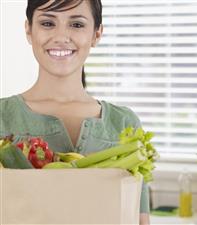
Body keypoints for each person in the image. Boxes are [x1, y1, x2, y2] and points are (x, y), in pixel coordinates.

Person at [0, 0, 150, 224]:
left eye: (77, 25)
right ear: (29, 30)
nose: (61, 36)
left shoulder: (124, 123)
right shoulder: (3, 116)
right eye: (48, 23)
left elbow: (139, 220)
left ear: (96, 35)